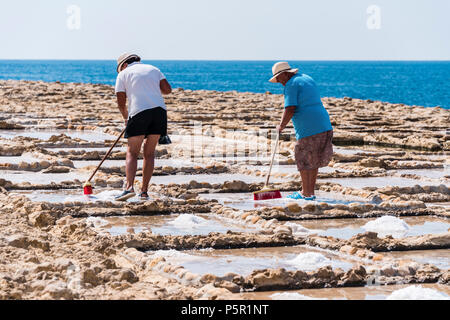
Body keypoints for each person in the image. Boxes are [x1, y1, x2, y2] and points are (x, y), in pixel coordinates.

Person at [270, 62, 334, 201]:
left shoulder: (291, 84)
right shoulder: (306, 78)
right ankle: (309, 194)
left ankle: (306, 193)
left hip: (309, 128)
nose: (280, 83)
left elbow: (290, 107)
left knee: (303, 159)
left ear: (285, 74)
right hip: (323, 124)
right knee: (313, 160)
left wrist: (281, 126)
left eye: (279, 79)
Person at [114, 53, 172, 201]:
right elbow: (167, 90)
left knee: (132, 152)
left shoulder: (123, 74)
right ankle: (144, 191)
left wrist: (126, 118)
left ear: (124, 65)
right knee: (149, 153)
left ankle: (129, 188)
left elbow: (121, 101)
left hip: (139, 112)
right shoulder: (153, 69)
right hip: (159, 112)